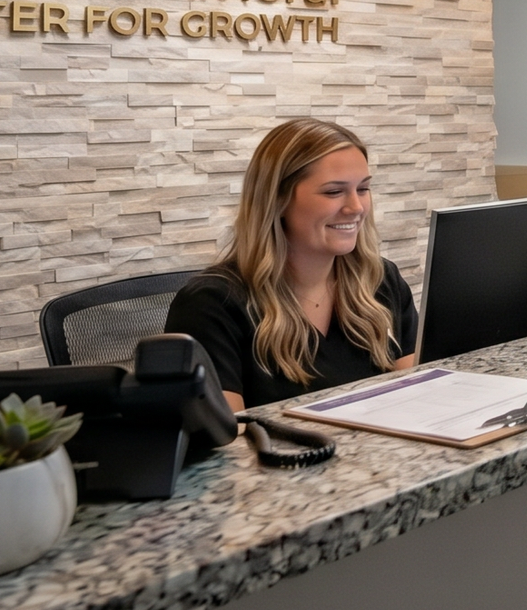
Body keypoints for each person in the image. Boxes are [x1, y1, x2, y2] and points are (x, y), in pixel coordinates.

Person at [165, 117, 419, 413]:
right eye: (334, 192)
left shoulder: (379, 280)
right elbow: (227, 449)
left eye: (363, 189)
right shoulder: (212, 304)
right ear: (278, 200)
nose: (356, 207)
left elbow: (418, 396)